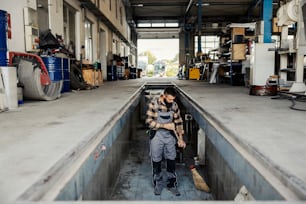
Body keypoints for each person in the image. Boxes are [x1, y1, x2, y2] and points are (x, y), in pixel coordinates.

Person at [146, 87, 186, 196]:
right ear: (164, 95)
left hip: (169, 137)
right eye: (169, 100)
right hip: (157, 136)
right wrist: (165, 125)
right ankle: (158, 184)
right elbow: (149, 123)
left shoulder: (174, 106)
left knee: (171, 158)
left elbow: (178, 122)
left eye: (173, 100)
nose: (171, 102)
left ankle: (171, 184)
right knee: (156, 159)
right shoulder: (153, 104)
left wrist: (181, 139)